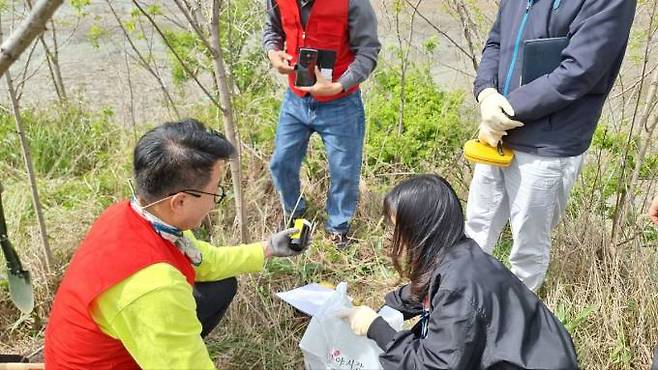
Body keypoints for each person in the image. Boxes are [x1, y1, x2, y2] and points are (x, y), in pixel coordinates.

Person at [44, 119, 305, 369]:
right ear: (179, 202)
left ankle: (175, 341)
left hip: (114, 344)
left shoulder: (136, 215)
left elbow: (203, 260)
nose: (214, 203)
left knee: (221, 286)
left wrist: (267, 248)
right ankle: (175, 343)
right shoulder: (155, 287)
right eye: (215, 192)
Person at [466, 0, 637, 291]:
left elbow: (579, 71)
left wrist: (506, 110)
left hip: (549, 142)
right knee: (475, 230)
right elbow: (496, 42)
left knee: (527, 251)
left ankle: (515, 324)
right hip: (499, 131)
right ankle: (459, 306)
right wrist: (486, 92)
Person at [338, 174, 579, 369]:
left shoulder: (458, 287)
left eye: (396, 227)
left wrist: (376, 328)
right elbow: (426, 286)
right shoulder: (461, 254)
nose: (392, 235)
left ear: (420, 230)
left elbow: (430, 366)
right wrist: (390, 306)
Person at [263, 0, 381, 248]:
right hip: (295, 99)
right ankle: (295, 216)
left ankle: (338, 228)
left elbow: (368, 51)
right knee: (281, 163)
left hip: (341, 104)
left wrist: (338, 85)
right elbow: (272, 30)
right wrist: (273, 52)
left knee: (344, 172)